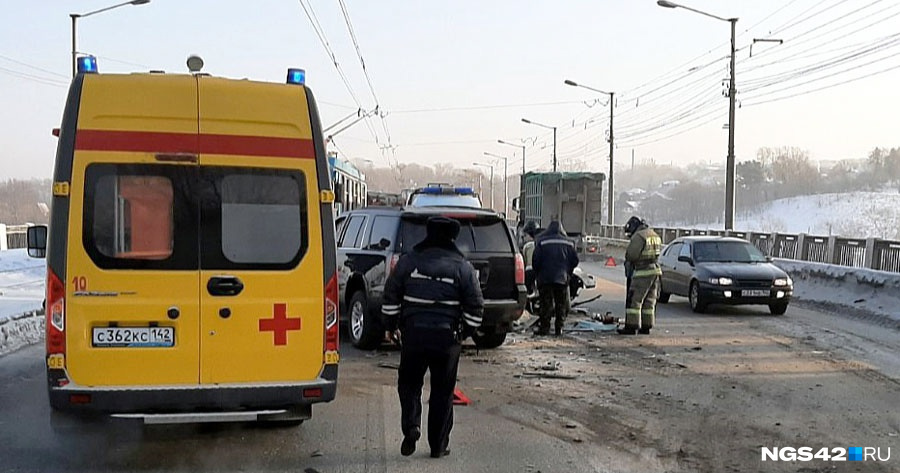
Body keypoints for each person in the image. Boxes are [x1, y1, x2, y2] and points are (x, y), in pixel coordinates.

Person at [381, 216, 484, 459]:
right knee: (442, 392)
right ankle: (438, 446)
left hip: (414, 334)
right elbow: (476, 307)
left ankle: (411, 426)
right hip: (447, 339)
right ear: (452, 238)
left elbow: (391, 296)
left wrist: (391, 326)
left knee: (409, 384)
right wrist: (464, 333)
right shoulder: (463, 268)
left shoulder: (408, 262)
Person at [531, 219, 579, 336]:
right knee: (560, 304)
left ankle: (545, 328)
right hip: (562, 278)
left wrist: (538, 274)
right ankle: (559, 328)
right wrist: (568, 272)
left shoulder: (541, 241)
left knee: (546, 304)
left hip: (545, 278)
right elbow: (575, 261)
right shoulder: (569, 243)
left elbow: (535, 261)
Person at [619, 216, 662, 335]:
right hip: (655, 271)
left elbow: (631, 255)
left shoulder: (639, 236)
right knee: (649, 301)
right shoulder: (653, 234)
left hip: (642, 271)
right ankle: (646, 326)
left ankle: (631, 327)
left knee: (634, 301)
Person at [521, 221, 539, 296]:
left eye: (524, 236)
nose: (523, 238)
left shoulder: (528, 246)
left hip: (530, 273)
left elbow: (528, 264)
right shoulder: (539, 244)